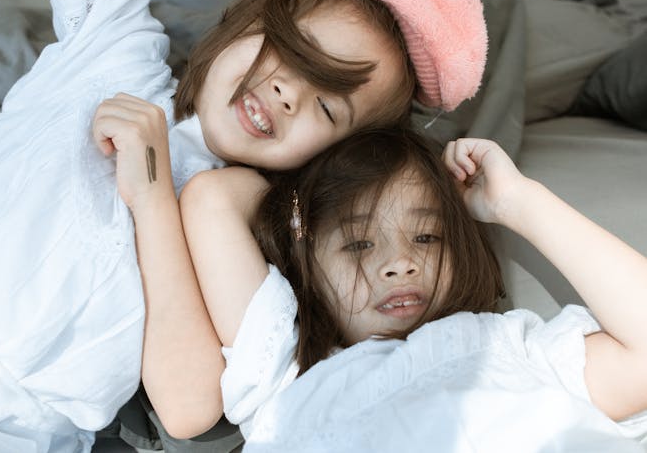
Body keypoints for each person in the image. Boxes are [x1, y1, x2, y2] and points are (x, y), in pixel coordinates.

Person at [0, 0, 486, 450]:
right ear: (244, 21)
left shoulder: (238, 225)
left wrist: (153, 196)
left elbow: (190, 405)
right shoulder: (113, 59)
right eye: (291, 50)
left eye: (328, 107)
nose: (287, 93)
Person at [179, 127, 647, 451]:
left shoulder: (511, 346)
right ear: (305, 265)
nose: (400, 264)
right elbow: (212, 199)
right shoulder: (285, 376)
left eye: (426, 237)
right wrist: (303, 205)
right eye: (358, 244)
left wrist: (515, 201)